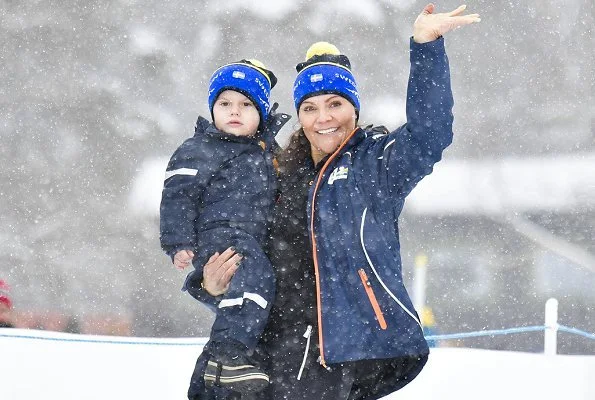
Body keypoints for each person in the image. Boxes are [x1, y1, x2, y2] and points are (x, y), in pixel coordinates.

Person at [191, 4, 480, 399]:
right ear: (299, 117)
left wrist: (425, 46)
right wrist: (209, 285)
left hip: (333, 349)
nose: (323, 117)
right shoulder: (271, 173)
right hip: (257, 349)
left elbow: (430, 133)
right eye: (309, 107)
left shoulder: (375, 165)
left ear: (354, 109)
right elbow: (237, 246)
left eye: (335, 103)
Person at [160, 59, 290, 395]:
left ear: (261, 113)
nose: (235, 111)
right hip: (222, 235)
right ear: (213, 108)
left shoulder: (269, 154)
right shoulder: (199, 149)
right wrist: (178, 243)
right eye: (225, 103)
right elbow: (178, 196)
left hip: (253, 240)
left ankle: (232, 359)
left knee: (258, 283)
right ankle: (229, 354)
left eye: (246, 105)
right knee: (257, 278)